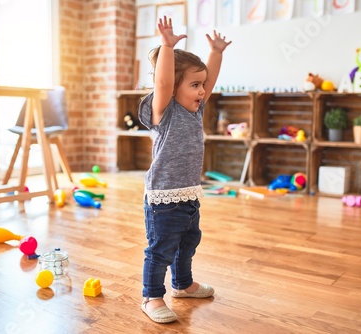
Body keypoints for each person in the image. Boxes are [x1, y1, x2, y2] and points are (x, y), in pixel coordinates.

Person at [138, 16, 232, 324]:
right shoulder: (164, 111)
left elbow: (211, 80)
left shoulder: (196, 109)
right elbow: (164, 82)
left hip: (189, 193)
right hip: (164, 196)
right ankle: (151, 296)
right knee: (161, 249)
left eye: (201, 85)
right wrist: (167, 46)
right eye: (194, 85)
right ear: (175, 88)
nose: (202, 91)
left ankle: (183, 284)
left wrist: (216, 53)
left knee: (188, 242)